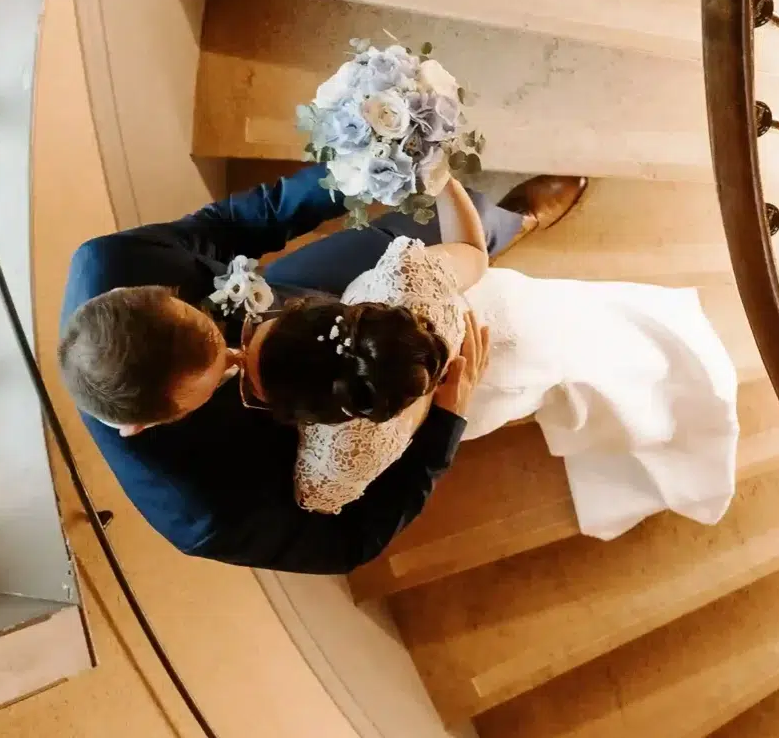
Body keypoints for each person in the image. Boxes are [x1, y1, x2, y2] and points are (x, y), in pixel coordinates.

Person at [58, 164, 584, 571]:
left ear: (145, 293)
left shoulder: (112, 261)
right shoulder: (205, 515)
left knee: (414, 232)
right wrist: (443, 425)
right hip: (351, 395)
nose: (238, 350)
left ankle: (510, 219)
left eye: (217, 329)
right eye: (223, 376)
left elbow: (234, 223)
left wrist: (357, 166)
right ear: (145, 425)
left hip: (313, 311)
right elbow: (349, 542)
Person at [261, 179, 738, 542]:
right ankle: (518, 227)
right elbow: (471, 252)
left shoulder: (342, 458)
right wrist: (444, 181)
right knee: (553, 339)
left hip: (483, 374)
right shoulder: (399, 280)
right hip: (493, 341)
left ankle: (516, 222)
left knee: (550, 348)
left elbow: (317, 499)